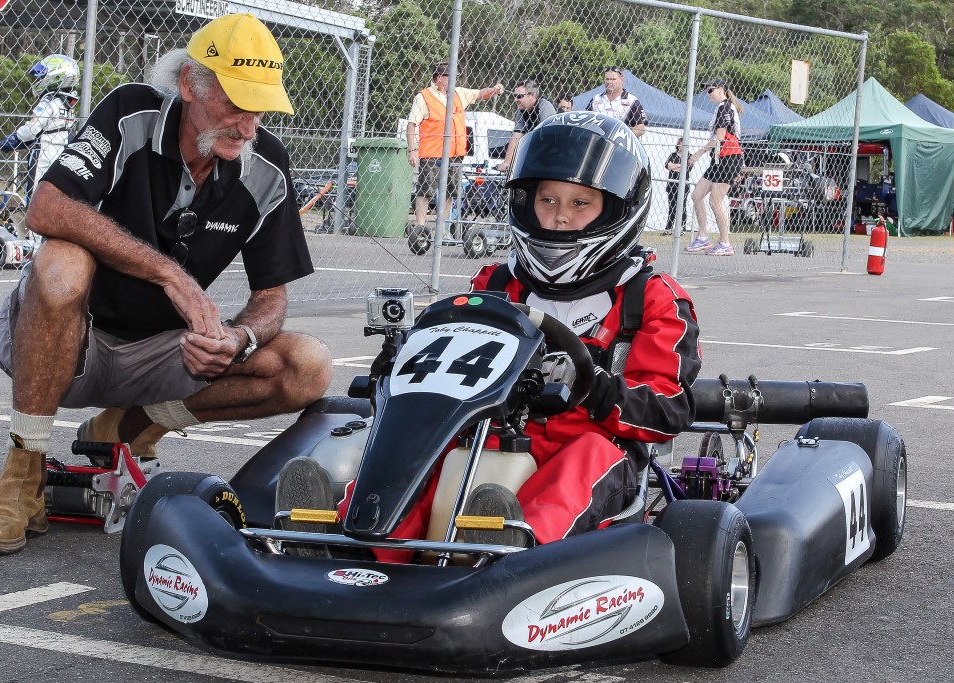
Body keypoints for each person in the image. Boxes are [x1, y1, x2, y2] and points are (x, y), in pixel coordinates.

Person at [0, 13, 333, 555]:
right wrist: (170, 275)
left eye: (260, 109)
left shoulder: (266, 165)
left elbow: (271, 297)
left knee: (308, 365)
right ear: (189, 85)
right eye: (234, 105)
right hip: (65, 339)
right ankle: (24, 475)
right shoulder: (130, 112)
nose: (248, 126)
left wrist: (238, 339)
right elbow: (46, 207)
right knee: (63, 259)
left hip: (160, 355)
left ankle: (127, 427)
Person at [277, 114, 701, 554]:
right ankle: (350, 541)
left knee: (589, 456)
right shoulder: (497, 285)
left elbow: (668, 410)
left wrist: (594, 387)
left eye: (580, 204)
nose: (558, 218)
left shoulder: (651, 298)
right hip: (488, 434)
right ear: (525, 202)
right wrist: (403, 365)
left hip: (589, 447)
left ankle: (511, 544)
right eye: (548, 200)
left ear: (616, 210)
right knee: (429, 449)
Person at [406, 62, 504, 233]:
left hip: (454, 154)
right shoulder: (423, 97)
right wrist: (412, 150)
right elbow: (412, 124)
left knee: (450, 191)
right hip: (432, 153)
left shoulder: (458, 93)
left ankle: (440, 229)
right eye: (450, 77)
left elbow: (480, 93)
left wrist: (495, 89)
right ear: (438, 78)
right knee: (425, 191)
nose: (454, 80)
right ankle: (420, 228)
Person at [0, 54, 80, 239]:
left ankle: (34, 243)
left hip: (44, 153)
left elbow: (33, 128)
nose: (39, 80)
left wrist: (13, 138)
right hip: (62, 151)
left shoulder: (49, 101)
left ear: (56, 76)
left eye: (43, 76)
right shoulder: (68, 102)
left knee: (35, 196)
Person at [685, 78, 744, 256]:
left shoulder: (725, 107)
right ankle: (702, 237)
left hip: (728, 158)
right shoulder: (721, 108)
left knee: (715, 201)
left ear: (721, 89)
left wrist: (698, 153)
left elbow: (720, 136)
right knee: (697, 195)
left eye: (711, 90)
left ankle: (725, 242)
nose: (708, 94)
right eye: (707, 91)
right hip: (719, 158)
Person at [498, 80, 557, 173]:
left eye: (519, 96)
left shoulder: (545, 106)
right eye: (514, 96)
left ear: (532, 96)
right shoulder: (520, 112)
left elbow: (549, 138)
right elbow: (516, 136)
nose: (515, 100)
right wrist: (507, 162)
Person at [588, 66, 647, 138]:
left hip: (620, 144)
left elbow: (640, 128)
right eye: (607, 79)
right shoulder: (596, 99)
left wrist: (622, 136)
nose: (609, 82)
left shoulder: (632, 101)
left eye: (613, 79)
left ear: (621, 80)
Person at [664, 137, 689, 235]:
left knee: (682, 206)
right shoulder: (672, 155)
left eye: (683, 143)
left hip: (683, 185)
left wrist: (673, 166)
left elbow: (686, 168)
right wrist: (678, 166)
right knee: (672, 206)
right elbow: (667, 166)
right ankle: (669, 228)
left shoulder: (689, 156)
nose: (681, 145)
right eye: (680, 143)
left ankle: (682, 228)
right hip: (672, 185)